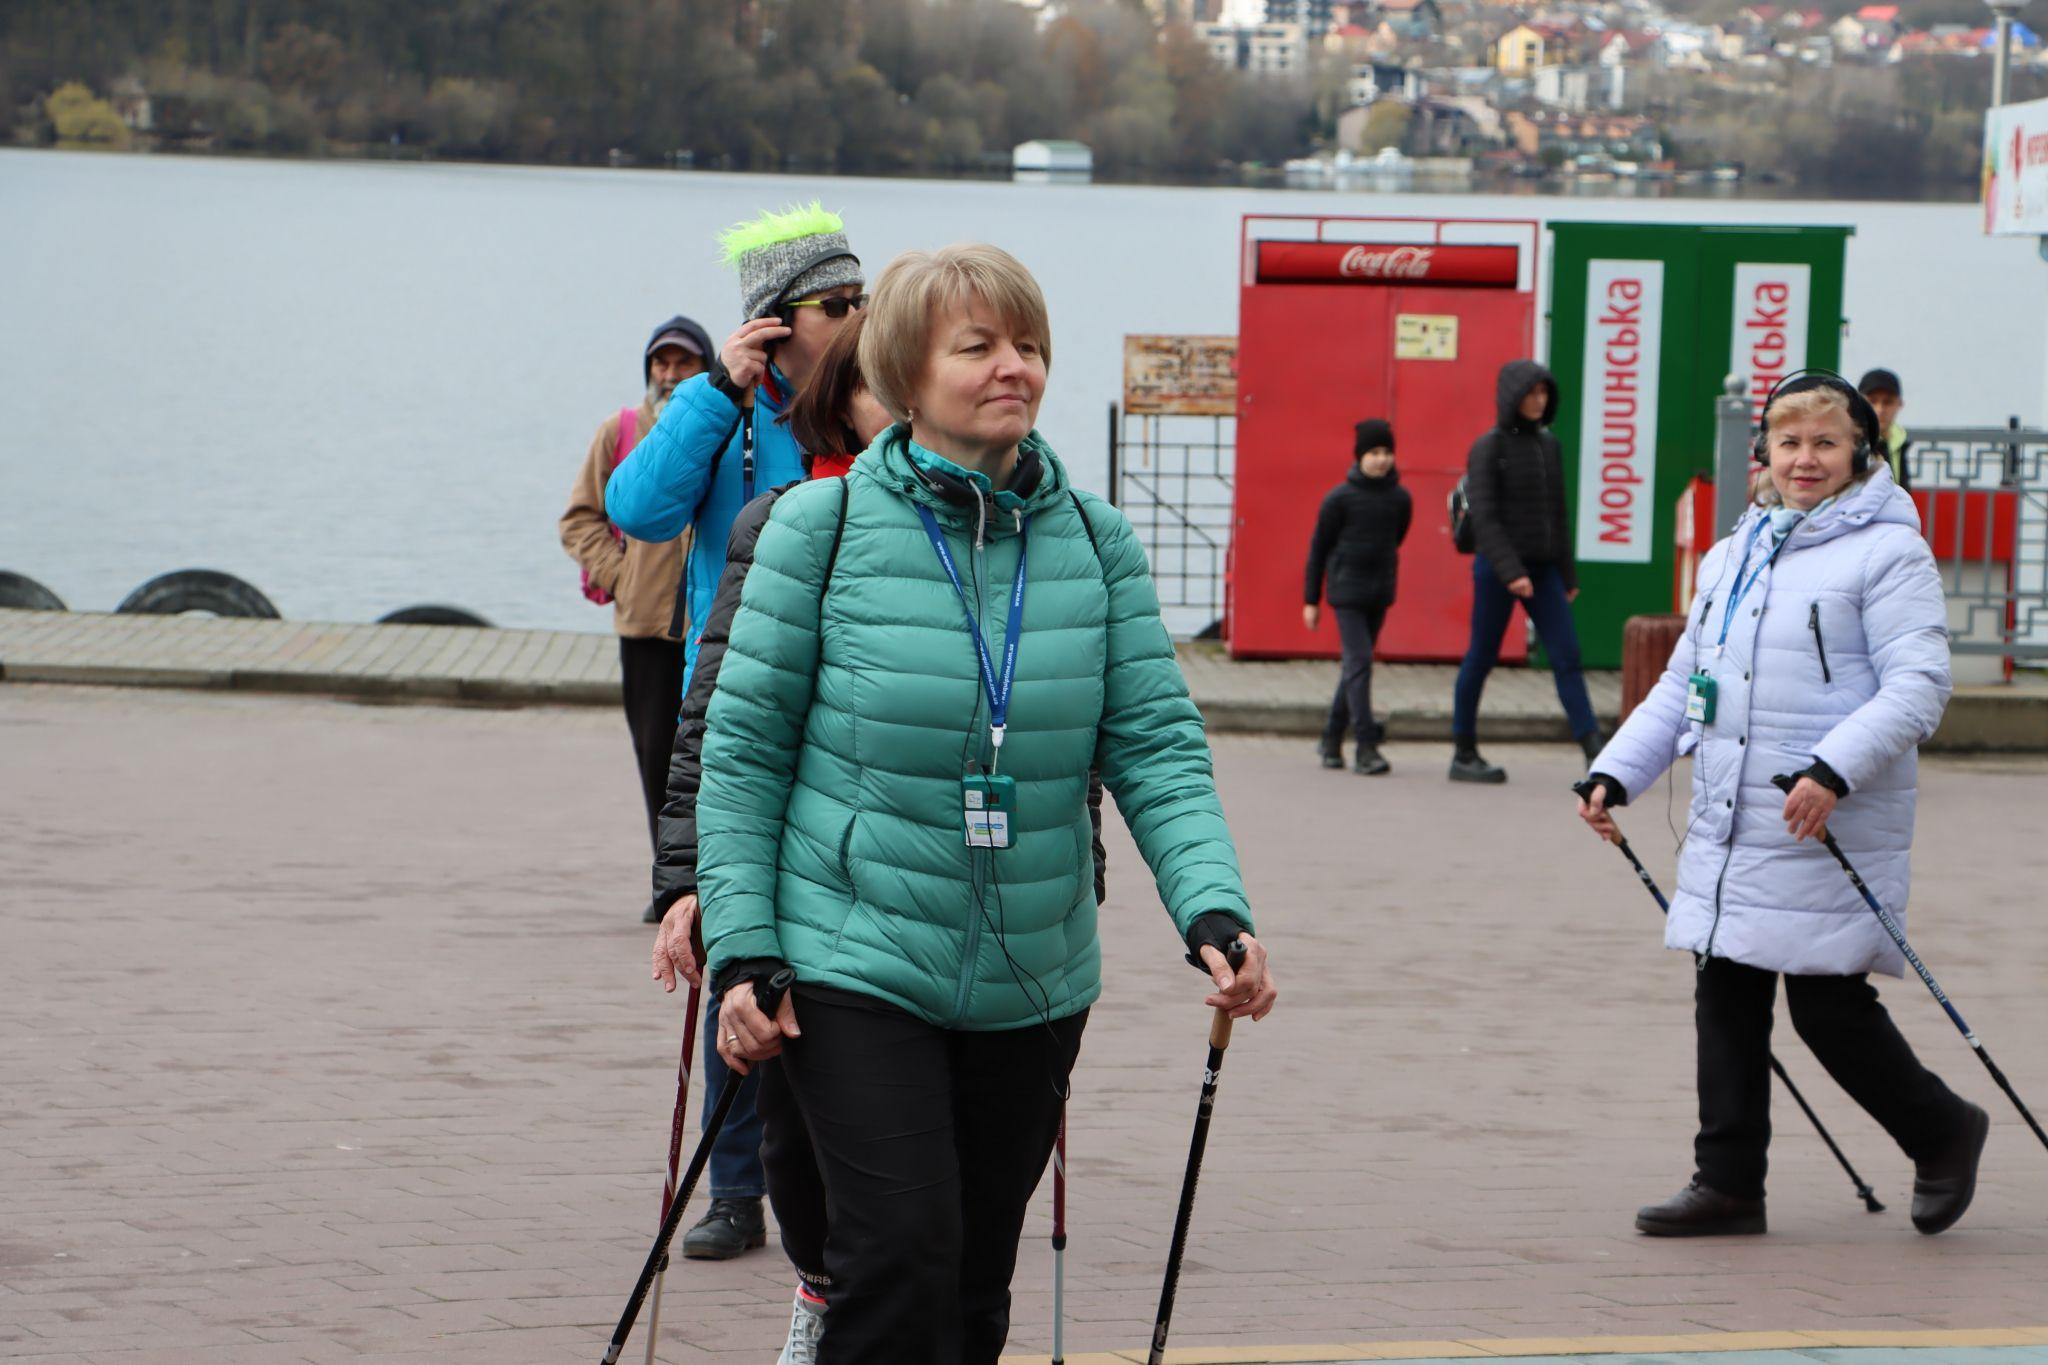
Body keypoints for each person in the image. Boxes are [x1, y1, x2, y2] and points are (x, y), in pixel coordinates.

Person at [695, 243, 1278, 1364]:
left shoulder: (1097, 546)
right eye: (978, 347)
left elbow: (1155, 745)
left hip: (1032, 970)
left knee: (971, 1280)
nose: (1013, 367)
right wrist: (742, 947)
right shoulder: (813, 534)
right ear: (905, 375)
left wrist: (1212, 908)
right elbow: (745, 754)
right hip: (850, 959)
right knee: (897, 1253)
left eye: (1028, 345)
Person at [1576, 373, 1986, 1239]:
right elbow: (1687, 682)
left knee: (1828, 1007)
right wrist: (1617, 773)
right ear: (1763, 452)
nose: (1806, 459)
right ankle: (1727, 1182)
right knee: (1723, 989)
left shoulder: (1888, 552)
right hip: (1733, 818)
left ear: (1860, 453)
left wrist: (1833, 768)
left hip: (1825, 817)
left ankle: (1944, 1128)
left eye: (1826, 443)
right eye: (1790, 442)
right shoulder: (1733, 553)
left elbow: (1921, 686)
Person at [608, 203, 866, 1262]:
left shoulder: (872, 402)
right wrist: (719, 389)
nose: (856, 318)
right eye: (833, 305)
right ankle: (734, 1187)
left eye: (864, 301)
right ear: (772, 323)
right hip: (747, 714)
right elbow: (640, 508)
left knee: (838, 963)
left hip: (851, 721)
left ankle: (843, 1174)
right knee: (737, 948)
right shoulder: (729, 413)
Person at [649, 314, 886, 1362]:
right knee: (774, 1065)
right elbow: (638, 510)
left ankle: (847, 1281)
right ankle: (777, 1235)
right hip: (782, 853)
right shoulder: (775, 501)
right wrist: (685, 881)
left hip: (908, 880)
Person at [559, 316, 710, 920]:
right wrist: (622, 577)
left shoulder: (720, 429)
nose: (670, 374)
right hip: (644, 630)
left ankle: (707, 882)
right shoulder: (620, 432)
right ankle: (668, 884)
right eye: (661, 363)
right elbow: (580, 519)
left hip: (710, 625)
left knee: (706, 756)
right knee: (656, 756)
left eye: (683, 363)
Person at [1451, 359, 1601, 784]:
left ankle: (1594, 750)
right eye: (1531, 393)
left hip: (1544, 571)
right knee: (1480, 657)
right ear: (1511, 396)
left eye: (1544, 393)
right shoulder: (1488, 448)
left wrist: (1567, 575)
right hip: (1499, 571)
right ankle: (1463, 751)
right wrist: (1511, 571)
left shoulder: (1548, 445)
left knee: (1567, 656)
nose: (1539, 400)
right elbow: (1485, 518)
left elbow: (1558, 513)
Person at [1303, 417, 1412, 775]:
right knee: (1360, 663)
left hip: (1380, 593)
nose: (1381, 460)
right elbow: (1318, 549)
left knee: (1354, 667)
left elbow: (1397, 537)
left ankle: (1331, 739)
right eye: (1374, 452)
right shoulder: (1339, 499)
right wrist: (1311, 600)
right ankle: (1366, 746)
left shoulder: (1400, 499)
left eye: (1386, 453)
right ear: (1360, 456)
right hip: (1345, 592)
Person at [1858, 367, 1912, 491]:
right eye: (1872, 401)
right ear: (1858, 403)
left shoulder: (1899, 442)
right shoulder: (1849, 442)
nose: (1880, 409)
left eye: (1887, 402)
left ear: (1900, 404)